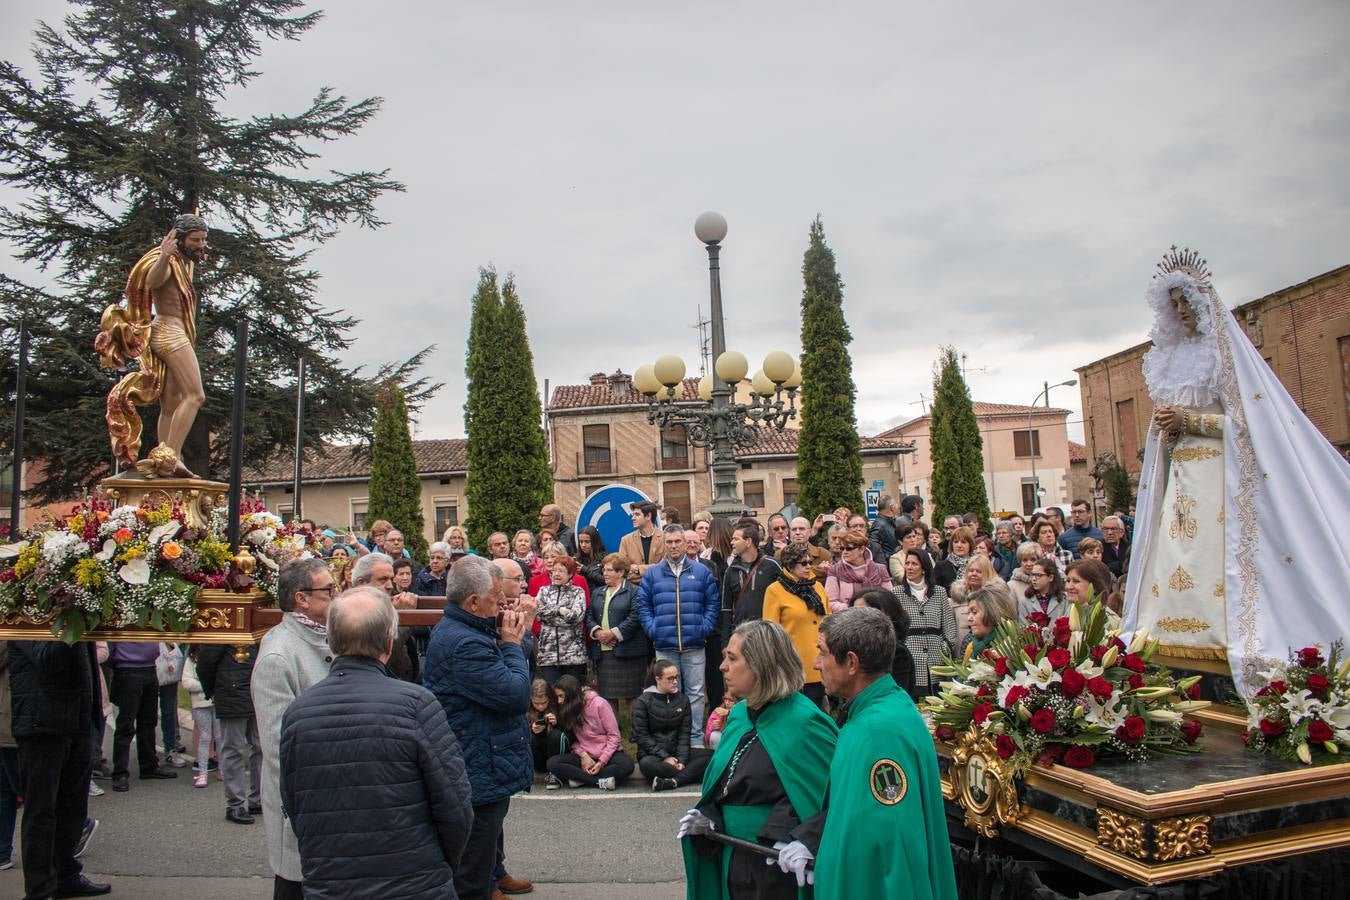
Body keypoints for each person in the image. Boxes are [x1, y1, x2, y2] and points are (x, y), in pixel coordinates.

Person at [280, 586, 473, 900]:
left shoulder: (299, 712)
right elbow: (456, 804)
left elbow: (292, 803)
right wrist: (439, 864)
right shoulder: (417, 704)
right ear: (388, 643)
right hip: (414, 882)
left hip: (332, 882)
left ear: (330, 640)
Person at [776, 606, 957, 900]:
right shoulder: (880, 711)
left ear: (851, 662)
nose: (816, 663)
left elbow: (895, 848)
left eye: (822, 652)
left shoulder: (878, 732)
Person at [679, 620, 838, 900]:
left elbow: (833, 797)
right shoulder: (740, 715)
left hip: (776, 866)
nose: (722, 667)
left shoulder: (806, 723)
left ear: (761, 664)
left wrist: (799, 836)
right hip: (731, 855)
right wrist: (711, 815)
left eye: (732, 658)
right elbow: (727, 781)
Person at [422, 555, 537, 900]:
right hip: (477, 754)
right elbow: (515, 694)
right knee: (478, 839)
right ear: (473, 602)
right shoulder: (465, 643)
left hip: (486, 750)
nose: (502, 603)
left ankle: (495, 873)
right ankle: (482, 885)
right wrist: (516, 642)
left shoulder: (471, 626)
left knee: (491, 821)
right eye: (495, 598)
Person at [251, 557, 337, 899]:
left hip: (329, 802)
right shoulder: (279, 656)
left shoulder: (323, 635)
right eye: (328, 589)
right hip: (304, 804)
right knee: (296, 885)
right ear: (301, 598)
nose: (336, 594)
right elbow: (280, 750)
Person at [97, 214, 208, 477]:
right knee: (195, 395)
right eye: (195, 240)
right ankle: (170, 455)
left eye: (203, 239)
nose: (201, 244)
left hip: (173, 331)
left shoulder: (181, 262)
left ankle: (165, 458)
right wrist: (163, 256)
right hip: (169, 332)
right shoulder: (167, 261)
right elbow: (153, 281)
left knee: (170, 403)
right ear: (178, 240)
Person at [7, 639, 110, 899]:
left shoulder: (73, 611)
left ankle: (66, 875)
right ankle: (40, 889)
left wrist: (93, 720)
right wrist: (72, 617)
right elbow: (48, 659)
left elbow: (86, 668)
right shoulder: (30, 612)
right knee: (41, 812)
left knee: (73, 809)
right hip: (41, 724)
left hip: (78, 721)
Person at [636, 524, 720, 748]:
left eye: (677, 542)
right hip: (664, 644)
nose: (673, 546)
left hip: (694, 643)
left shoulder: (701, 572)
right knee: (670, 693)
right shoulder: (653, 573)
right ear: (664, 544)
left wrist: (704, 627)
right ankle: (673, 739)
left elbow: (712, 603)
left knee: (695, 692)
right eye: (669, 542)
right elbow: (643, 605)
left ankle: (694, 737)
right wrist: (653, 629)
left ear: (685, 543)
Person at [761, 543, 832, 708]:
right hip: (793, 665)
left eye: (809, 562)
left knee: (819, 715)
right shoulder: (775, 590)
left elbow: (829, 620)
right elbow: (771, 632)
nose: (809, 567)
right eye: (803, 563)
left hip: (820, 663)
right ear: (790, 566)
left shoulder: (817, 586)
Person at [198, 641, 261, 825]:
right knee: (233, 749)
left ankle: (258, 798)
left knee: (260, 747)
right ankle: (235, 804)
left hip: (256, 692)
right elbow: (205, 663)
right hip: (231, 693)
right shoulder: (224, 629)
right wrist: (214, 691)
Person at [106, 639, 177, 792]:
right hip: (127, 670)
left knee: (149, 721)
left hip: (150, 668)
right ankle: (120, 773)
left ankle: (149, 765)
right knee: (126, 724)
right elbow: (110, 648)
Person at [633, 659, 711, 791]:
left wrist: (681, 760)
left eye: (676, 677)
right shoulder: (643, 701)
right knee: (647, 765)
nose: (675, 682)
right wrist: (665, 757)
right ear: (658, 679)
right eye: (670, 678)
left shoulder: (683, 700)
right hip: (653, 756)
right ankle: (690, 774)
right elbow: (641, 736)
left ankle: (674, 780)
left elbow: (684, 734)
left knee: (712, 756)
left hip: (677, 751)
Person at [544, 675, 634, 790]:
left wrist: (601, 762)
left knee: (627, 765)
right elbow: (573, 739)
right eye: (557, 697)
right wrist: (583, 755)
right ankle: (598, 782)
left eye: (561, 696)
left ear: (571, 694)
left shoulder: (599, 704)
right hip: (585, 754)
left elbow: (614, 736)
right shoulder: (568, 709)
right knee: (552, 763)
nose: (559, 701)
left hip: (607, 753)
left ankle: (582, 779)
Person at [586, 554, 650, 709]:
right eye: (604, 570)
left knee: (633, 696)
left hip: (629, 653)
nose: (604, 574)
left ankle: (636, 732)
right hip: (604, 653)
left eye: (609, 570)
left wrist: (614, 633)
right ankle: (613, 732)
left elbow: (636, 616)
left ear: (621, 572)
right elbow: (589, 615)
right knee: (608, 697)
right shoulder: (598, 592)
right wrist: (597, 632)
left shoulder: (635, 591)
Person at [890, 548, 956, 697]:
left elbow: (949, 626)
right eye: (907, 563)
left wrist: (944, 648)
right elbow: (894, 627)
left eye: (914, 564)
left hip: (936, 658)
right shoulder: (897, 593)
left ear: (924, 568)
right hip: (911, 658)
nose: (910, 567)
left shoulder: (939, 592)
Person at [850, 588, 916, 697]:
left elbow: (895, 696)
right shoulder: (852, 649)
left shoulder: (897, 653)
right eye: (853, 613)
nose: (856, 620)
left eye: (863, 614)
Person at [535, 556, 589, 685]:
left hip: (573, 655)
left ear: (570, 574)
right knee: (552, 695)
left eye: (561, 571)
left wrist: (548, 619)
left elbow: (576, 618)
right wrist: (560, 610)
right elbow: (537, 614)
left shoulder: (577, 592)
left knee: (572, 695)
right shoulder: (544, 591)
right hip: (548, 654)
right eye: (554, 570)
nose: (557, 574)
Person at [724, 521, 782, 626]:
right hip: (741, 632)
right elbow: (726, 608)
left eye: (736, 539)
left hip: (767, 632)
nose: (731, 542)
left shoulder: (773, 565)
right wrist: (725, 640)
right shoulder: (730, 570)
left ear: (748, 542)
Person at [949, 555, 1014, 645]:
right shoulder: (956, 598)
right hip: (960, 651)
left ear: (987, 573)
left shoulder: (997, 598)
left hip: (991, 648)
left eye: (979, 571)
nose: (974, 574)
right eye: (971, 570)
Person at [824, 528, 890, 612]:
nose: (844, 552)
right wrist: (853, 609)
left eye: (849, 548)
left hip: (876, 618)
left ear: (862, 549)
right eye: (842, 548)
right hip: (847, 620)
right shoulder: (835, 570)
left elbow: (889, 599)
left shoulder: (880, 569)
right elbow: (830, 602)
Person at [180, 648, 216, 790]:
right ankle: (202, 772)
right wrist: (207, 686)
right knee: (205, 737)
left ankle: (223, 770)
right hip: (200, 704)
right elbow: (187, 682)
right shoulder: (191, 660)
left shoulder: (217, 657)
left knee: (221, 736)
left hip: (218, 702)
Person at [526, 678, 565, 787]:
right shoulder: (525, 709)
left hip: (554, 755)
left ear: (550, 698)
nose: (540, 706)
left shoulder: (557, 706)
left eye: (544, 703)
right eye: (536, 703)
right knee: (527, 737)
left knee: (556, 735)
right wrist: (531, 729)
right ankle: (527, 773)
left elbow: (569, 734)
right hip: (536, 756)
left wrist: (556, 724)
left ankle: (555, 775)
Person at [962, 587, 1016, 662]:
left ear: (994, 613)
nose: (969, 618)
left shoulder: (1015, 647)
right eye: (968, 613)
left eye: (974, 612)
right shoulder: (971, 647)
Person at [618, 500, 666, 583]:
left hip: (659, 588)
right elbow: (623, 572)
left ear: (648, 516)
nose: (632, 518)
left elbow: (665, 568)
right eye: (633, 514)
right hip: (635, 591)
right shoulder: (626, 540)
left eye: (637, 514)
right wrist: (655, 568)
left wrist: (637, 569)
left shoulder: (665, 538)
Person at [776, 517, 831, 584]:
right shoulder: (779, 554)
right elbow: (782, 576)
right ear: (789, 533)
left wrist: (794, 570)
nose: (797, 532)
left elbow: (829, 574)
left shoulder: (823, 553)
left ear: (810, 532)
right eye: (794, 529)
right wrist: (818, 569)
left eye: (802, 529)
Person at [1019, 557, 1069, 625]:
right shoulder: (1025, 601)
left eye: (1038, 575)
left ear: (1050, 577)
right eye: (1033, 574)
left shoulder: (1064, 598)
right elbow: (1023, 627)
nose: (1033, 579)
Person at [934, 525, 974, 592]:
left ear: (970, 544)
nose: (959, 545)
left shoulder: (976, 565)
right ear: (952, 544)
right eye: (956, 542)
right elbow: (935, 592)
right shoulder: (941, 566)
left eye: (963, 542)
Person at [867, 494, 900, 565]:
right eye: (896, 503)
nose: (898, 506)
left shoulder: (889, 521)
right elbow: (873, 547)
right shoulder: (879, 525)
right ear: (892, 507)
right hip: (887, 566)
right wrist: (885, 561)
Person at [575, 526, 608, 592]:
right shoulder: (577, 558)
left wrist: (585, 570)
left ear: (595, 542)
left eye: (587, 542)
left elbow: (606, 580)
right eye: (581, 542)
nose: (583, 545)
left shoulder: (605, 558)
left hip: (598, 595)